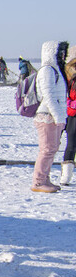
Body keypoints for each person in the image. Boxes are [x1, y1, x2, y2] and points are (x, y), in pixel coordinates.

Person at [31, 40, 69, 192]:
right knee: (47, 149)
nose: (62, 55)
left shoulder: (55, 69)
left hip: (53, 116)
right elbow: (48, 95)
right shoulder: (47, 70)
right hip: (47, 115)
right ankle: (38, 182)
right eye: (60, 52)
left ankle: (45, 178)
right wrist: (58, 116)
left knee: (52, 149)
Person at [60, 50, 76, 185]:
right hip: (73, 115)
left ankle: (66, 177)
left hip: (71, 115)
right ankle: (65, 176)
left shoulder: (67, 77)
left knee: (71, 145)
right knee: (71, 145)